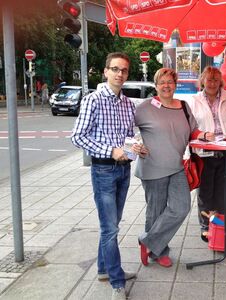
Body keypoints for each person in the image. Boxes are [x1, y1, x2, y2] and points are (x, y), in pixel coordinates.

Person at [71, 52, 137, 300]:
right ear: (105, 71)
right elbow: (77, 137)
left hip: (124, 169)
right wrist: (111, 150)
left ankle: (103, 269)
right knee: (109, 229)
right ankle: (117, 282)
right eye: (116, 69)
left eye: (124, 70)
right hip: (103, 170)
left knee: (112, 225)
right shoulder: (93, 100)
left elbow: (128, 138)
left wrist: (134, 149)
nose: (120, 74)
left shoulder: (128, 104)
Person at [134, 68, 212, 268]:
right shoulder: (144, 108)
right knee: (156, 211)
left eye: (170, 82)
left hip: (177, 166)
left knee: (181, 207)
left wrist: (203, 135)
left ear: (175, 84)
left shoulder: (183, 106)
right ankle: (159, 252)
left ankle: (147, 241)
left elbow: (193, 130)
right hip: (152, 168)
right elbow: (127, 131)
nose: (166, 86)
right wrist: (135, 145)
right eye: (162, 82)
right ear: (156, 85)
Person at [188, 66, 226, 242]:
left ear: (221, 82)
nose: (212, 83)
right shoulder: (194, 101)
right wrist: (202, 135)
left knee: (222, 192)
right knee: (205, 192)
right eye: (209, 79)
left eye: (216, 80)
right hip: (204, 152)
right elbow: (190, 128)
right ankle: (206, 227)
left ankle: (220, 224)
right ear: (202, 81)